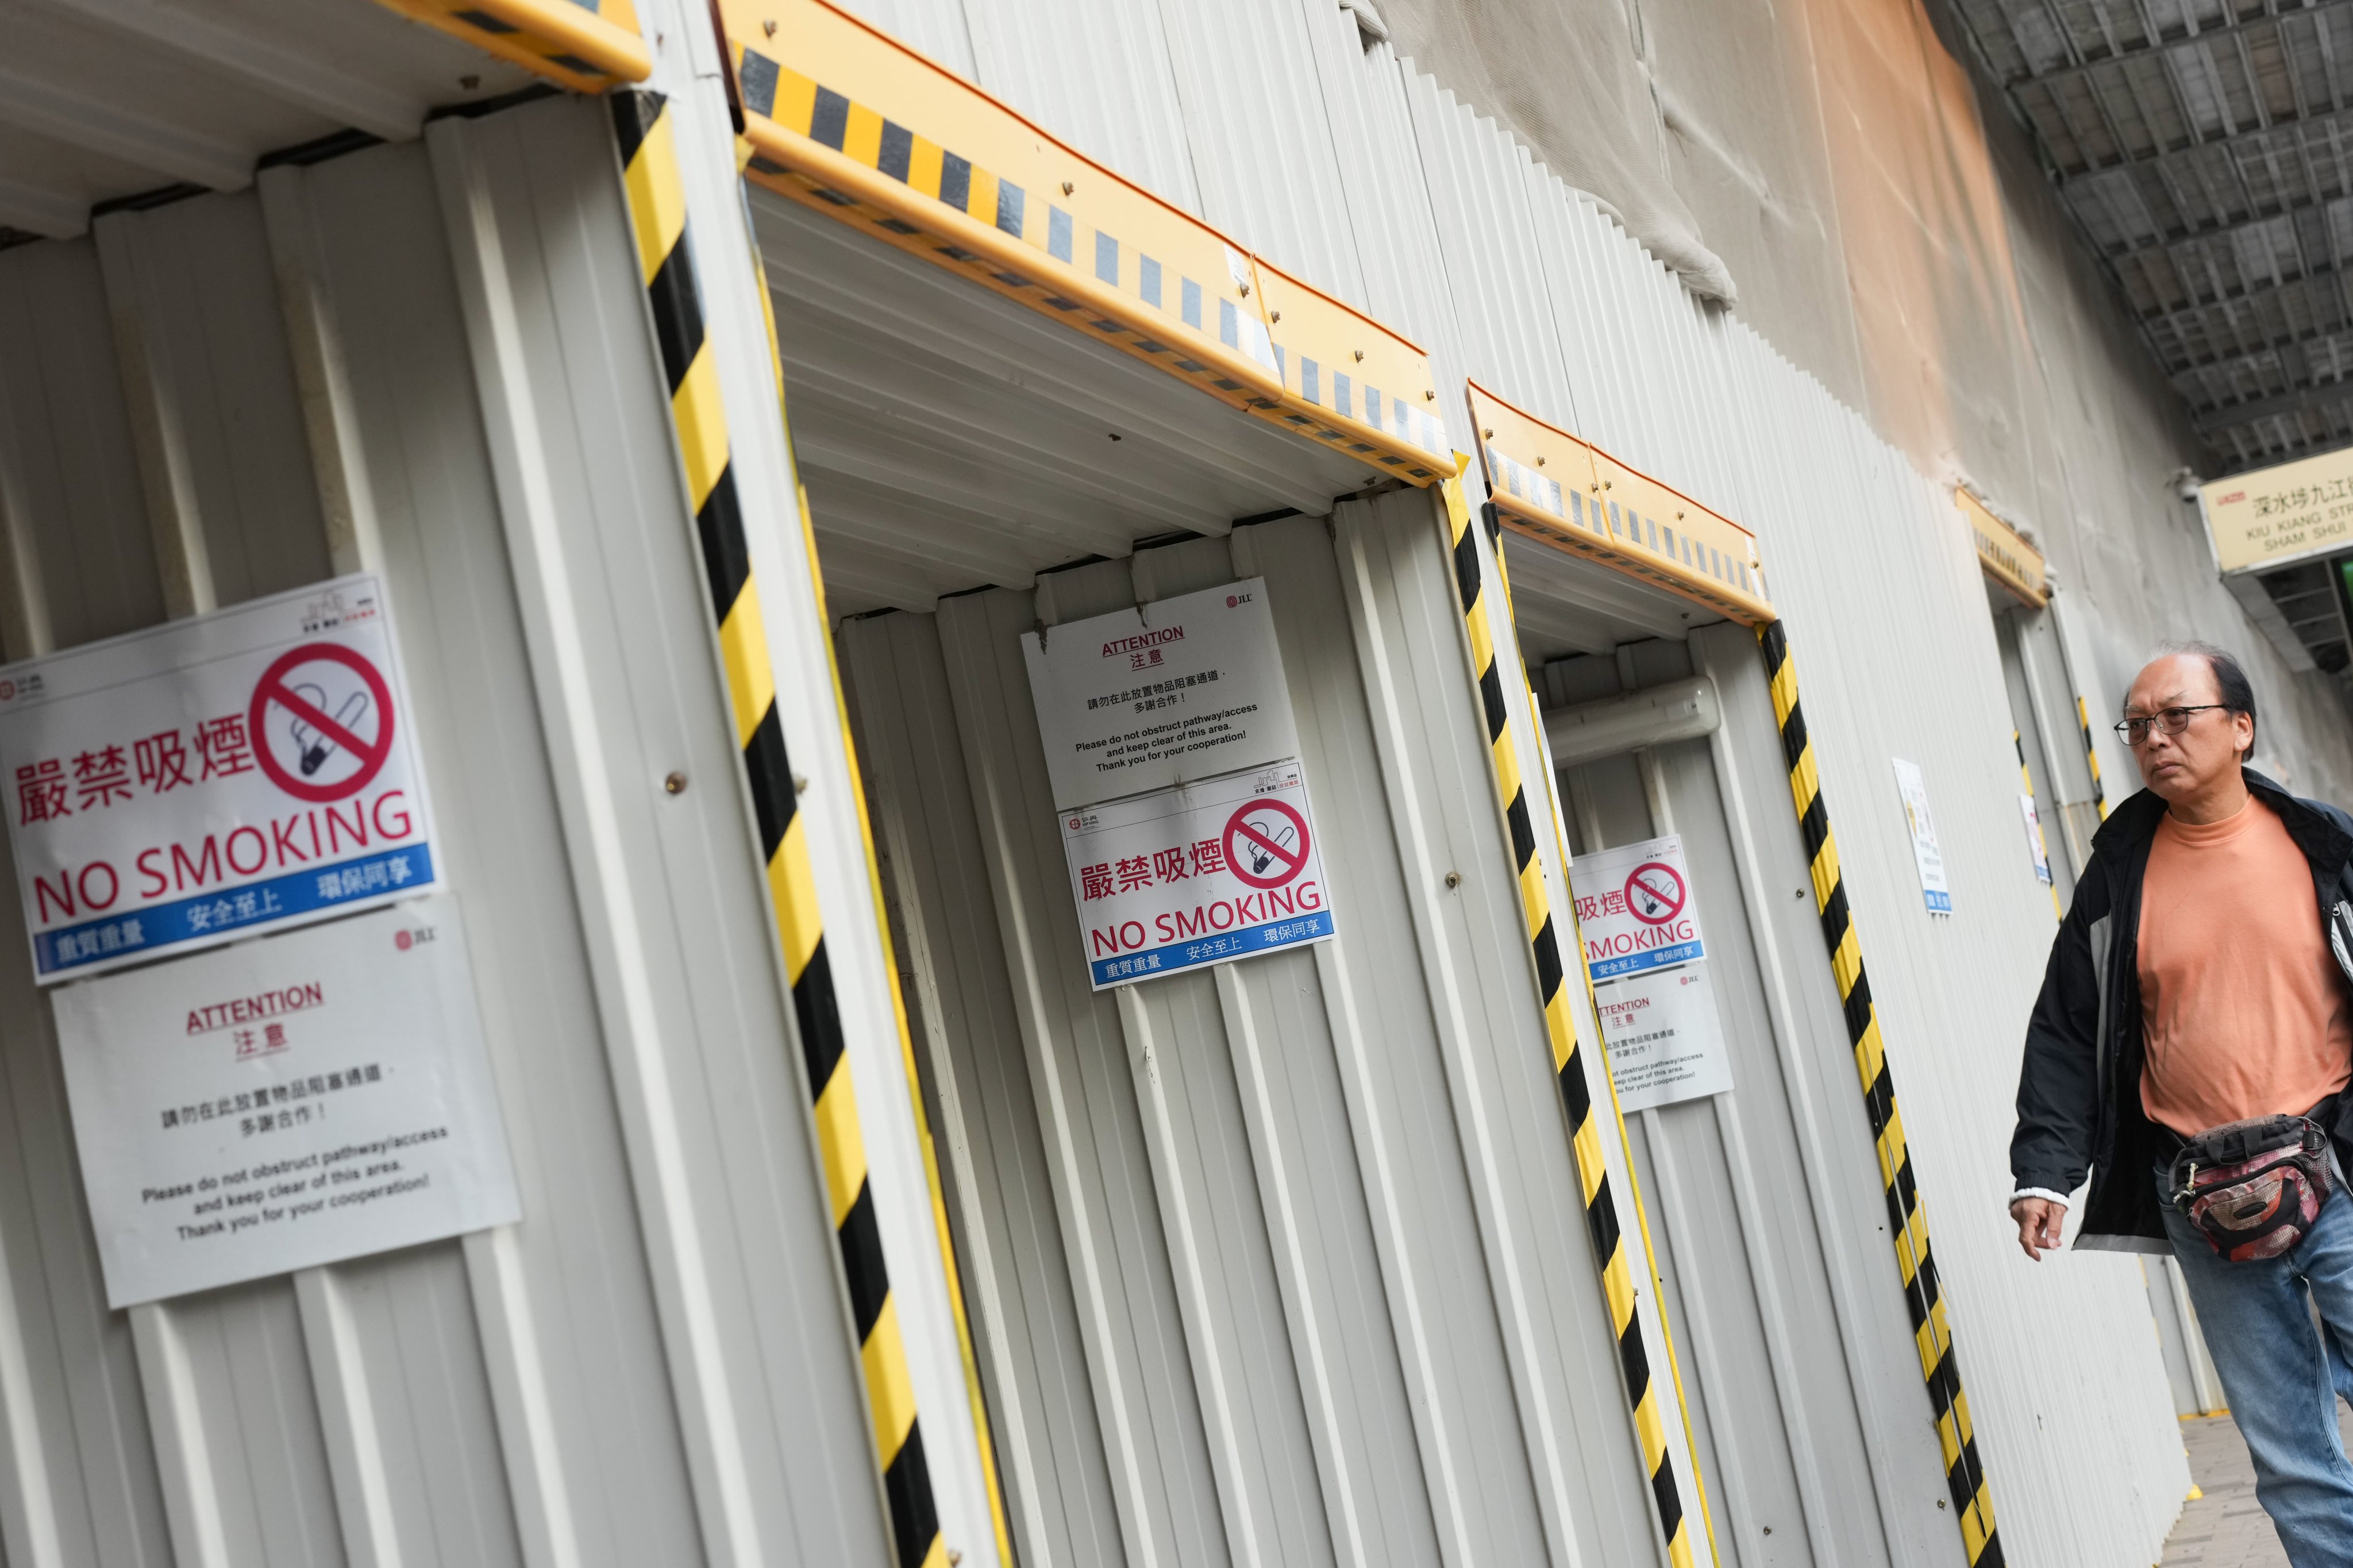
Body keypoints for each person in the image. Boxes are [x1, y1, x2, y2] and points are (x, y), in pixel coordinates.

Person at [2010, 643, 2353, 1565]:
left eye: (2177, 717)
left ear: (2241, 728)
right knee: (2288, 1452)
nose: (2154, 738)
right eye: (2138, 725)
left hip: (2340, 1165)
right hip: (2205, 1194)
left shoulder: (2327, 845)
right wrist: (2045, 1168)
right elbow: (2067, 1025)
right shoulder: (2119, 873)